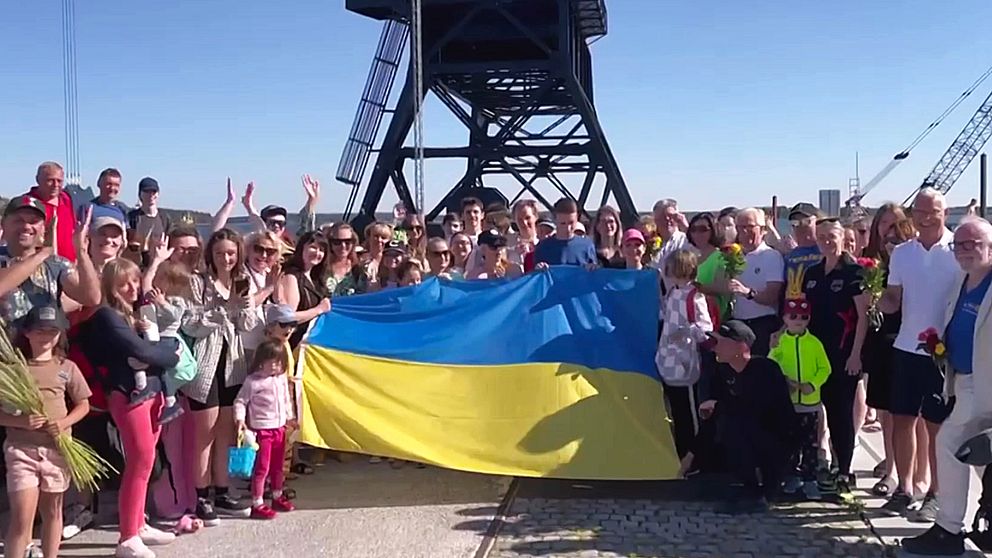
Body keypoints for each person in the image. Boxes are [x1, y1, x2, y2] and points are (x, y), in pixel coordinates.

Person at [75, 259, 181, 558]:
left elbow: (155, 350)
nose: (133, 288)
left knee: (145, 462)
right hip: (128, 394)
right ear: (110, 286)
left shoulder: (131, 313)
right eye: (125, 283)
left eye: (135, 281)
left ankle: (138, 523)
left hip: (151, 392)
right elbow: (143, 350)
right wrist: (170, 354)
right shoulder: (107, 316)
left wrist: (164, 352)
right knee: (140, 460)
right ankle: (128, 537)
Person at [901, 217, 992, 556]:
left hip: (986, 385)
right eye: (959, 245)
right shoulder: (962, 281)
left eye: (973, 244)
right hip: (964, 380)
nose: (964, 251)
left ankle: (949, 528)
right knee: (980, 456)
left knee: (951, 443)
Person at [879, 188, 961, 520]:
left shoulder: (959, 249)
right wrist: (874, 298)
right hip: (905, 347)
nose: (926, 217)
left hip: (942, 352)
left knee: (936, 426)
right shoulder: (901, 253)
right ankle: (905, 487)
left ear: (945, 211)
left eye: (934, 211)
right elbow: (893, 300)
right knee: (902, 420)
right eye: (920, 211)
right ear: (912, 214)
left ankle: (936, 494)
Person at [1, 306, 91, 558]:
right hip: (22, 450)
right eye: (40, 330)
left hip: (58, 449)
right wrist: (21, 421)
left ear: (60, 334)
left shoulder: (67, 367)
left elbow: (84, 404)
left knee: (53, 511)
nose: (46, 336)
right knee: (22, 517)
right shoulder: (13, 369)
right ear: (27, 333)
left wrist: (63, 423)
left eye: (52, 331)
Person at [181, 229, 256, 525]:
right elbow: (191, 324)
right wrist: (224, 310)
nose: (226, 258)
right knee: (205, 435)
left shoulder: (240, 282)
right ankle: (201, 495)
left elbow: (247, 324)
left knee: (225, 432)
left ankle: (222, 490)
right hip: (206, 365)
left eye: (231, 253)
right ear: (210, 255)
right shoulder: (198, 284)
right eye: (220, 253)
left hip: (232, 364)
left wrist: (244, 305)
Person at [697, 320, 796, 514]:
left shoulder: (765, 369)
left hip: (775, 438)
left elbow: (764, 411)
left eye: (720, 342)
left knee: (736, 425)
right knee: (727, 426)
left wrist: (720, 406)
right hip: (748, 435)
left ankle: (765, 491)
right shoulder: (722, 371)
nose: (714, 347)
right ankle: (747, 486)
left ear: (740, 346)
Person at [801, 218, 870, 497]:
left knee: (842, 415)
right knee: (821, 410)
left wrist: (856, 355)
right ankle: (826, 464)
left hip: (844, 354)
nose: (827, 241)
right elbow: (805, 312)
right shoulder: (813, 272)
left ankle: (845, 471)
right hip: (817, 354)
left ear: (843, 238)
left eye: (832, 236)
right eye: (822, 237)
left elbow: (864, 317)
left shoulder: (854, 272)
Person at [0, 197, 101, 330]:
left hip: (46, 345)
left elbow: (91, 298)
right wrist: (42, 254)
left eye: (34, 222)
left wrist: (81, 252)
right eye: (18, 220)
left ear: (43, 229)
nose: (26, 226)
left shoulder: (56, 264)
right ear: (4, 224)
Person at [769, 297, 832, 501]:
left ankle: (810, 479)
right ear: (785, 318)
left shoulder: (814, 343)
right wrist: (783, 381)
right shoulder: (780, 342)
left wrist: (812, 384)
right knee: (789, 442)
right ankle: (791, 476)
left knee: (810, 444)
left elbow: (825, 368)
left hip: (809, 404)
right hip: (787, 403)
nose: (798, 320)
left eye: (803, 317)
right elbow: (770, 365)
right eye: (793, 316)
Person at [655, 250, 714, 459]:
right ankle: (681, 453)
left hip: (686, 361)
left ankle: (696, 456)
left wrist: (686, 331)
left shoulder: (694, 296)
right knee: (677, 411)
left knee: (690, 412)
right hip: (668, 359)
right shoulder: (672, 293)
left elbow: (705, 329)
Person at [234, 340, 297, 520]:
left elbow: (286, 400)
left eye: (279, 362)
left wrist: (290, 417)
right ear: (262, 361)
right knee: (262, 468)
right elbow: (240, 401)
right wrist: (240, 419)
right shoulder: (253, 382)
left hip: (279, 428)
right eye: (272, 362)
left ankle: (277, 495)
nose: (276, 366)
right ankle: (257, 502)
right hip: (262, 430)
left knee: (278, 466)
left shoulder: (281, 379)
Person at [138, 260, 198, 424]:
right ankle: (152, 391)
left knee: (156, 366)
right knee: (146, 364)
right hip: (155, 337)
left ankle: (167, 400)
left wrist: (162, 302)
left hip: (168, 340)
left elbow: (174, 315)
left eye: (162, 277)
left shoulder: (177, 301)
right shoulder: (155, 298)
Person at [728, 207, 785, 356]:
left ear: (763, 229)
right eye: (741, 227)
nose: (745, 231)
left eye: (750, 226)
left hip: (762, 325)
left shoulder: (771, 256)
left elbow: (772, 296)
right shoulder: (734, 256)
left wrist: (747, 292)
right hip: (739, 323)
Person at [26, 161, 77, 262]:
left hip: (68, 266)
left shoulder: (66, 199)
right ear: (38, 180)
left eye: (59, 181)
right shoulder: (28, 204)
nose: (55, 185)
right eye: (50, 180)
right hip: (41, 267)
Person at [532, 198, 597, 268]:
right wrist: (538, 269)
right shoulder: (543, 247)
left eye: (571, 223)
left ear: (577, 218)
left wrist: (593, 268)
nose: (568, 228)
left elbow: (594, 274)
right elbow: (536, 276)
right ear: (555, 220)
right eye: (563, 223)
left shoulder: (587, 246)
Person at [126, 177, 172, 267]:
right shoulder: (132, 217)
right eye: (146, 191)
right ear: (140, 194)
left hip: (159, 265)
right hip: (136, 265)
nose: (150, 195)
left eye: (153, 192)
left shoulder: (164, 217)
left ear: (158, 194)